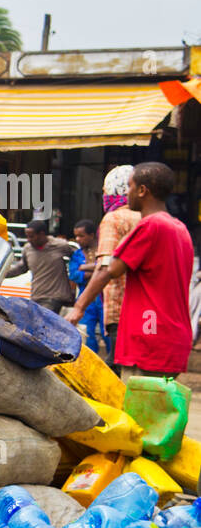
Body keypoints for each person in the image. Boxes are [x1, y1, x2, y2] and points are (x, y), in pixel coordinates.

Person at [68, 162, 192, 380]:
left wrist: (77, 309)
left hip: (149, 334)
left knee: (139, 409)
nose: (127, 193)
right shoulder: (179, 228)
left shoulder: (150, 226)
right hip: (173, 336)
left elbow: (108, 268)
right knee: (160, 411)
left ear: (143, 190)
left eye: (131, 186)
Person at [92, 164, 142, 371]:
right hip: (142, 308)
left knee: (116, 365)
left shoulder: (114, 219)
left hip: (119, 304)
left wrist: (79, 307)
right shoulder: (149, 218)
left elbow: (105, 266)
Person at [4, 219, 78, 314]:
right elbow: (21, 268)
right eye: (27, 236)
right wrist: (2, 274)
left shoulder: (59, 245)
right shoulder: (28, 249)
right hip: (37, 296)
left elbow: (77, 258)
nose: (29, 239)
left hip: (55, 297)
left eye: (31, 236)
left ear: (42, 234)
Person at [69, 219, 107, 355]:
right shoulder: (77, 254)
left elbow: (109, 269)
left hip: (104, 297)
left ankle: (112, 366)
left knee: (107, 331)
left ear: (92, 235)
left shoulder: (104, 251)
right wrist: (98, 272)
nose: (78, 239)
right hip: (85, 298)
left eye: (81, 236)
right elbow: (74, 274)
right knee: (85, 332)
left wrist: (84, 268)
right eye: (76, 236)